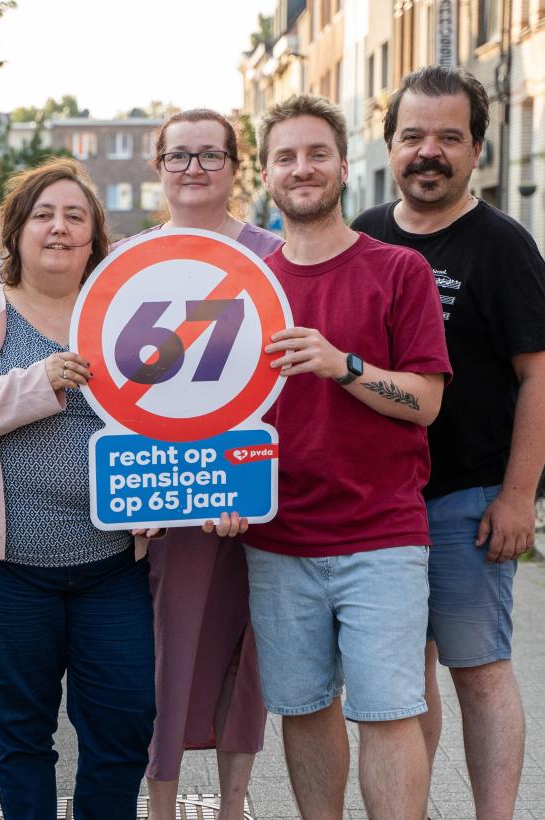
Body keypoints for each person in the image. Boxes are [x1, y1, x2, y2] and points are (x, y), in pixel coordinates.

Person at [0, 158, 156, 820]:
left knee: (124, 725)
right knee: (20, 736)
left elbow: (167, 420)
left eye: (75, 216)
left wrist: (165, 497)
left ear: (94, 237)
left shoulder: (125, 317)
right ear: (17, 231)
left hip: (112, 567)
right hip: (2, 573)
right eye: (43, 214)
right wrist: (38, 382)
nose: (59, 228)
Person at [243, 94, 452, 820]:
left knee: (389, 712)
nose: (301, 168)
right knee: (303, 708)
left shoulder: (399, 270)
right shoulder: (246, 285)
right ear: (266, 175)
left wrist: (344, 366)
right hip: (277, 538)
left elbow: (426, 402)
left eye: (316, 154)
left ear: (343, 166)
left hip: (381, 536)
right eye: (285, 157)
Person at [352, 65, 545, 819]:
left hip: (467, 500)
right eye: (412, 136)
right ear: (390, 145)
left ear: (476, 150)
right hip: (381, 504)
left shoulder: (503, 246)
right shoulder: (365, 233)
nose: (428, 152)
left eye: (448, 137)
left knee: (480, 671)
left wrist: (518, 497)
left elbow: (538, 376)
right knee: (405, 679)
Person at [113, 108, 281, 820]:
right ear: (158, 166)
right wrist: (126, 495)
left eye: (211, 154)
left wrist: (249, 479)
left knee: (250, 658)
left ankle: (234, 807)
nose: (194, 168)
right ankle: (162, 806)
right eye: (178, 155)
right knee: (167, 655)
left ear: (235, 167)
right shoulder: (126, 260)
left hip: (256, 486)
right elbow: (109, 385)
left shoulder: (275, 257)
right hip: (165, 494)